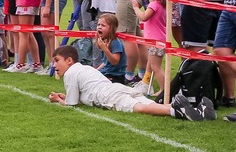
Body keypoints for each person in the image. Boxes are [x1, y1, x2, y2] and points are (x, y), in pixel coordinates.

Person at [48, 45, 210, 120]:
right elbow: (82, 94)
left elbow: (72, 105)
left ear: (69, 60)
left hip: (108, 95)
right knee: (148, 104)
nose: (54, 65)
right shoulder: (84, 68)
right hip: (117, 88)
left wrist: (58, 100)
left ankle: (177, 111)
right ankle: (198, 109)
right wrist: (64, 96)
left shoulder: (70, 73)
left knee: (139, 108)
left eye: (57, 60)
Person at [133, 0, 168, 96]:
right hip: (158, 40)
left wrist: (135, 8)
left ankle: (164, 91)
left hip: (155, 41)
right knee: (151, 65)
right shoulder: (161, 5)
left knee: (156, 67)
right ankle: (147, 84)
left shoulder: (154, 5)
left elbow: (143, 17)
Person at [96, 13, 126, 83]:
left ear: (111, 28)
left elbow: (115, 61)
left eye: (103, 25)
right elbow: (106, 62)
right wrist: (96, 71)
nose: (99, 27)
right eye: (98, 25)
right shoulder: (106, 40)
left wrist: (105, 49)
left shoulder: (115, 42)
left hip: (115, 76)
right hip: (106, 73)